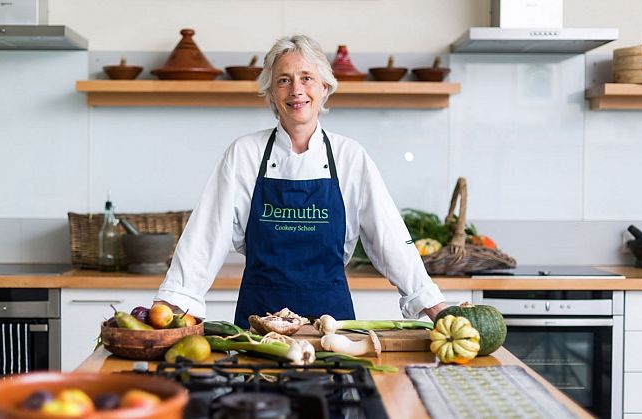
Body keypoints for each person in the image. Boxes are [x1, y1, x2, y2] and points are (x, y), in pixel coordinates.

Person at [153, 34, 446, 328]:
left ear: (324, 87)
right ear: (271, 92)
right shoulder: (245, 154)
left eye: (306, 78)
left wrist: (435, 306)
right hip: (258, 327)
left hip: (332, 327)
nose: (296, 90)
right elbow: (205, 234)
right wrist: (170, 303)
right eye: (283, 80)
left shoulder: (350, 157)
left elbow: (390, 237)